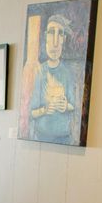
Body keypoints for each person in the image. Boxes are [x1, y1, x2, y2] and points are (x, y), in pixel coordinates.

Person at [29, 14, 78, 145]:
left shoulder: (68, 73)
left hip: (63, 136)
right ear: (46, 37)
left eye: (60, 34)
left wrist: (65, 106)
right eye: (51, 33)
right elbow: (32, 112)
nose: (55, 43)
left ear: (63, 40)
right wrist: (44, 110)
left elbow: (74, 105)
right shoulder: (39, 71)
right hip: (41, 136)